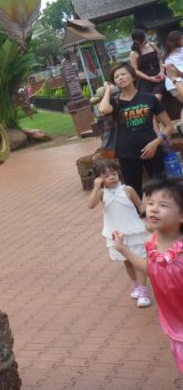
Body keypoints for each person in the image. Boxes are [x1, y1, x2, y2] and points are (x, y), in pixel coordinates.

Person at [113, 178, 183, 373]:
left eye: (163, 205)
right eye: (150, 203)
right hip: (173, 322)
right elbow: (153, 271)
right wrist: (124, 250)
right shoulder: (151, 243)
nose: (153, 208)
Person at [98, 62, 172, 199]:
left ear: (132, 76)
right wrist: (107, 89)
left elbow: (169, 127)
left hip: (153, 151)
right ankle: (138, 218)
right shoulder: (115, 102)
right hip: (127, 154)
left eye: (123, 74)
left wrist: (155, 143)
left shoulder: (149, 98)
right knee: (134, 192)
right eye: (116, 77)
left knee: (161, 189)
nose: (120, 78)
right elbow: (102, 109)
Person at [86, 160, 150, 307]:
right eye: (106, 176)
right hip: (116, 234)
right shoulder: (102, 193)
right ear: (99, 179)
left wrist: (147, 215)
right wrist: (96, 187)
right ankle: (135, 284)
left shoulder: (127, 190)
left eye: (114, 173)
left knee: (138, 260)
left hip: (134, 231)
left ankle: (143, 291)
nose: (112, 177)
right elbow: (90, 205)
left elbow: (139, 205)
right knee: (127, 262)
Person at [129, 28, 164, 100]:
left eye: (145, 37)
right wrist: (148, 78)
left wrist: (162, 72)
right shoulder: (134, 53)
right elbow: (135, 70)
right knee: (145, 100)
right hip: (145, 79)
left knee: (156, 97)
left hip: (159, 75)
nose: (145, 40)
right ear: (136, 41)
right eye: (142, 39)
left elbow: (160, 59)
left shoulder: (152, 45)